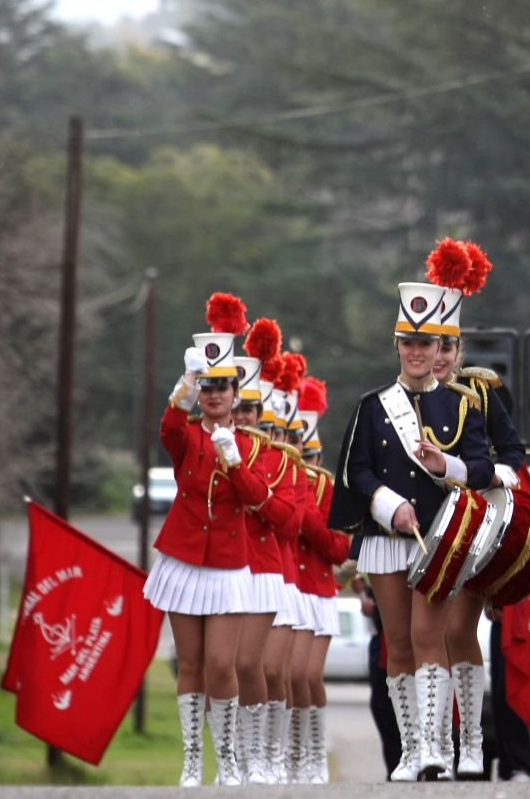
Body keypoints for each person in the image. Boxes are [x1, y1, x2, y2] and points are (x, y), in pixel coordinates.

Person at [328, 241, 494, 782]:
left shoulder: (462, 405)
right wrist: (391, 506)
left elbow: (483, 469)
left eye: (426, 343)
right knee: (396, 642)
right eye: (409, 343)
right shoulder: (372, 407)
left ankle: (437, 747)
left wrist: (447, 466)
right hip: (386, 538)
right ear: (397, 345)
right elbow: (356, 471)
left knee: (427, 636)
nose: (418, 352)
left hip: (439, 539)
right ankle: (410, 748)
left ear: (439, 345)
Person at [144, 293, 274, 786]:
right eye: (208, 387)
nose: (215, 395)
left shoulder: (251, 444)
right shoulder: (189, 435)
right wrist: (184, 385)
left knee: (223, 665)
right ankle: (192, 761)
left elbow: (258, 499)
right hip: (183, 558)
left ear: (236, 393)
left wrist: (234, 461)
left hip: (226, 563)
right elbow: (168, 430)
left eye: (222, 387)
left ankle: (228, 760)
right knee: (192, 664)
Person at [428, 241, 530, 780]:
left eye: (449, 346)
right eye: (432, 344)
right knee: (423, 639)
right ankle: (433, 745)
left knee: (458, 633)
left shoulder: (482, 392)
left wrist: (495, 479)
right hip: (417, 529)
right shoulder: (399, 397)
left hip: (468, 528)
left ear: (459, 348)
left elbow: (512, 453)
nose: (440, 356)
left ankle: (470, 743)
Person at [227, 319, 301, 785]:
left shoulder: (280, 460)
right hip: (220, 567)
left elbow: (290, 522)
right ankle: (232, 758)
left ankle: (265, 755)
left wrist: (251, 491)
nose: (242, 418)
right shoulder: (209, 447)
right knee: (221, 668)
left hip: (265, 570)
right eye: (236, 408)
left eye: (250, 410)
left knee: (257, 667)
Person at [291, 377, 352, 784]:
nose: (307, 463)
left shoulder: (328, 487)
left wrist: (307, 517)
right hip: (283, 590)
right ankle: (291, 752)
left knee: (308, 675)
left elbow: (341, 548)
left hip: (317, 590)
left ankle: (314, 753)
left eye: (312, 455)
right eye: (301, 454)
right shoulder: (281, 479)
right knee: (285, 677)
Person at [485, 601, 530, 781]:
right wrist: (490, 606)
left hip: (522, 619)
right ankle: (507, 767)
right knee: (499, 697)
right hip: (501, 622)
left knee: (513, 692)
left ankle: (522, 765)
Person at [358, 576, 405, 777]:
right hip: (382, 641)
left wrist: (376, 611)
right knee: (383, 706)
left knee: (400, 702)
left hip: (399, 637)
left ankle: (406, 763)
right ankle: (396, 766)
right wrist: (367, 591)